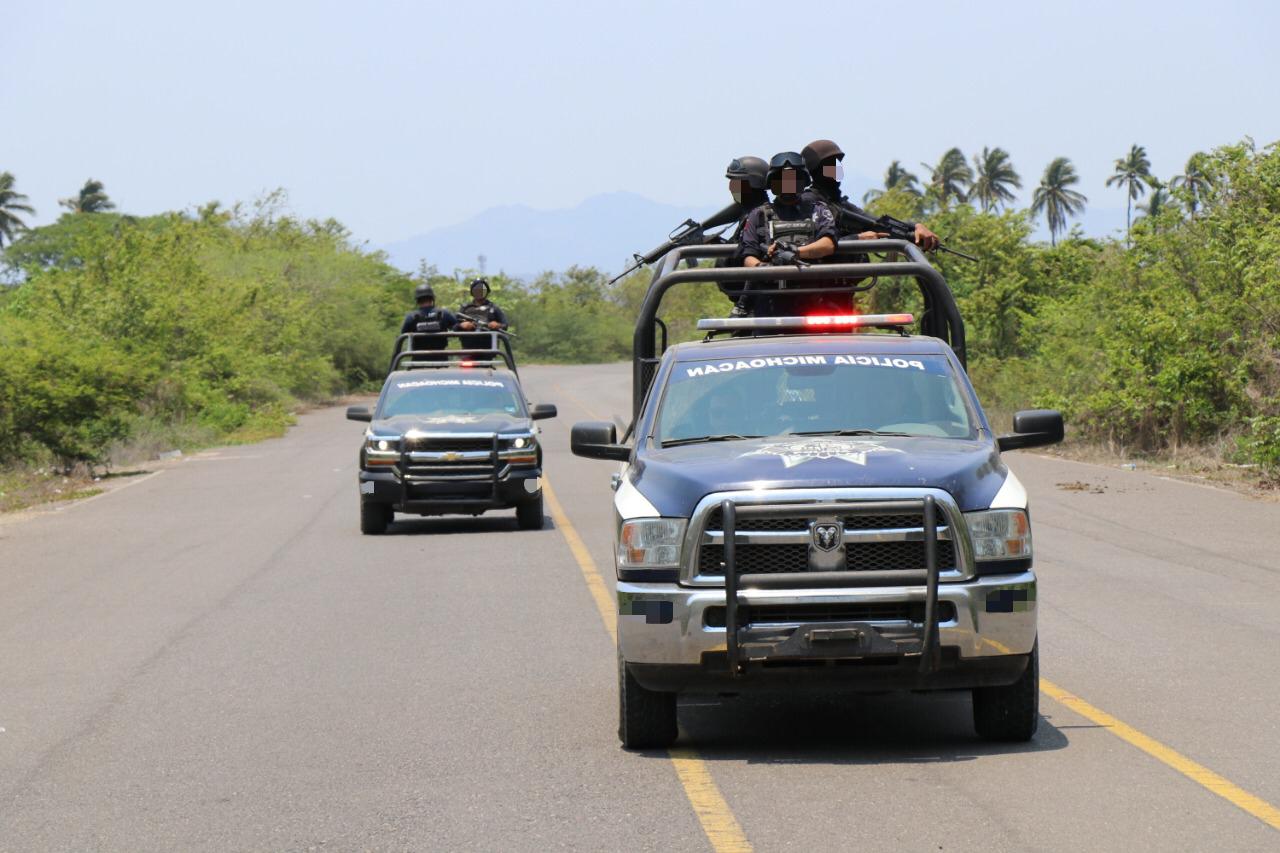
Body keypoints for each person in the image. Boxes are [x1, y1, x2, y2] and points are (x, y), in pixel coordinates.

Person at [738, 152, 841, 316]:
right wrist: (764, 268)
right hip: (770, 301)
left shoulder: (818, 210)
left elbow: (828, 243)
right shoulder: (758, 215)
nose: (788, 184)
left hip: (813, 300)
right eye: (782, 179)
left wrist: (795, 251)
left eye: (793, 179)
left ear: (803, 182)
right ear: (772, 183)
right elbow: (748, 255)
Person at [800, 139, 940, 250]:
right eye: (830, 166)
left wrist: (915, 226)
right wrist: (857, 239)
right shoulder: (808, 203)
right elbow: (812, 245)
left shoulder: (839, 204)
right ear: (816, 171)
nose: (836, 171)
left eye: (836, 165)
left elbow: (876, 223)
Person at [718, 156, 769, 315]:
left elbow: (747, 253)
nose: (731, 188)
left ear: (752, 185)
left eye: (736, 183)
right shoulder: (751, 215)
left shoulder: (758, 217)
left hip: (755, 302)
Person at [398, 283, 457, 360]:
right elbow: (457, 327)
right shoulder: (444, 313)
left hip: (418, 359)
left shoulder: (411, 317)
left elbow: (403, 334)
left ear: (417, 300)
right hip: (440, 358)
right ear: (432, 298)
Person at [456, 278, 508, 352]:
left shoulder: (494, 308)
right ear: (472, 292)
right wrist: (462, 325)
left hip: (488, 349)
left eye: (482, 289)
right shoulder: (464, 308)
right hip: (468, 348)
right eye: (476, 290)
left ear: (486, 291)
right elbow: (454, 326)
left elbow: (505, 325)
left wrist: (497, 325)